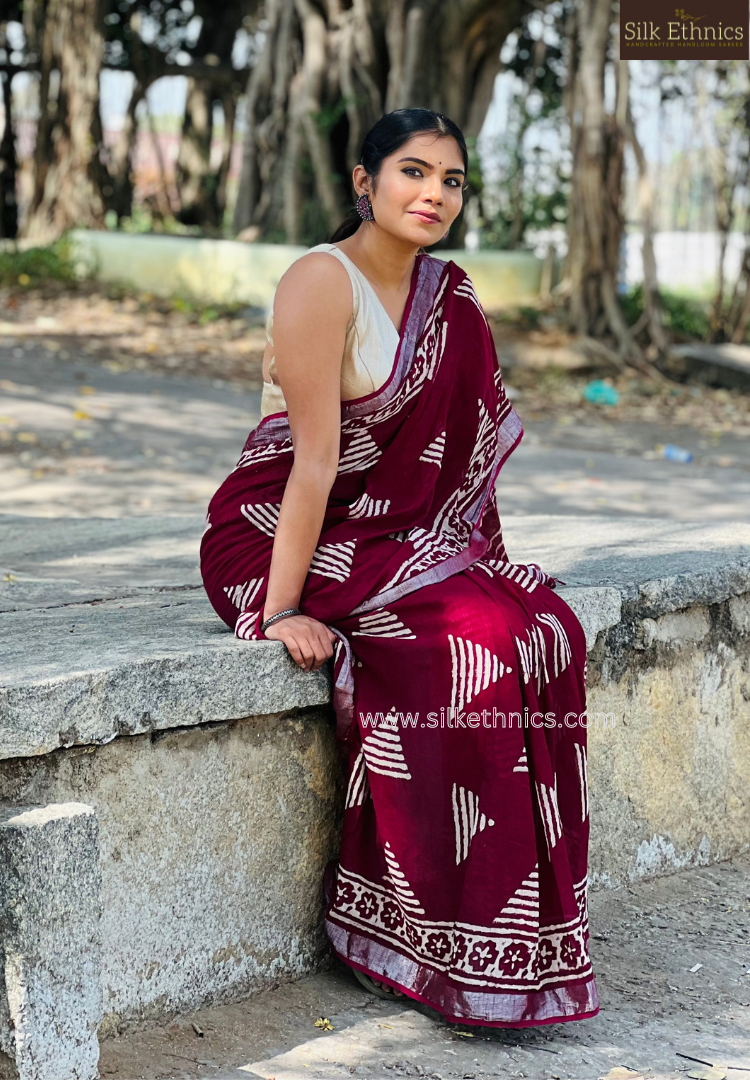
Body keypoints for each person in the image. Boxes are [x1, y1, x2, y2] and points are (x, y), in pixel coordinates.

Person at [200, 108, 599, 1028]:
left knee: (547, 630)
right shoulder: (319, 280)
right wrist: (277, 608)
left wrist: (467, 561)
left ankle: (515, 933)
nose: (433, 194)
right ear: (363, 181)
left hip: (396, 541)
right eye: (413, 172)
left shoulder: (450, 297)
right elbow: (311, 466)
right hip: (277, 533)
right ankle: (418, 932)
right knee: (481, 645)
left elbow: (453, 466)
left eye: (451, 181)